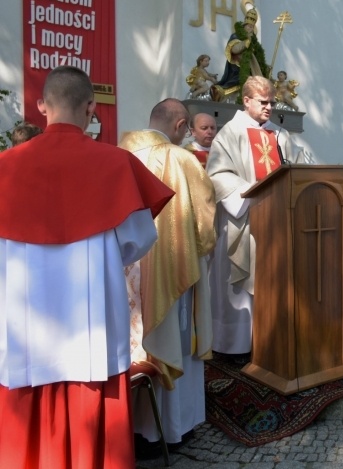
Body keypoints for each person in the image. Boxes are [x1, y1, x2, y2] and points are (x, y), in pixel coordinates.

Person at [0, 66, 173, 468]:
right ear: (92, 107)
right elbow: (139, 240)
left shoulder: (6, 168)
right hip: (91, 331)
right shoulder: (115, 164)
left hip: (24, 327)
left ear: (42, 106)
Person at [119, 99, 217, 449]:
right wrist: (202, 248)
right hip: (173, 269)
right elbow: (205, 221)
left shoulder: (121, 153)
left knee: (131, 340)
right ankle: (173, 427)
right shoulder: (182, 160)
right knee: (174, 338)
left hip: (124, 270)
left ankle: (134, 427)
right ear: (180, 125)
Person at [206, 76, 291, 353]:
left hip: (276, 222)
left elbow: (297, 167)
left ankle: (269, 341)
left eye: (272, 102)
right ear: (246, 101)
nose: (269, 107)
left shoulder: (280, 134)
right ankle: (235, 345)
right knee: (240, 288)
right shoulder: (229, 134)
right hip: (244, 220)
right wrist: (251, 192)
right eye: (263, 102)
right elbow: (217, 175)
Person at [213, 7, 267, 100]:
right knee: (238, 81)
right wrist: (246, 41)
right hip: (237, 68)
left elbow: (257, 57)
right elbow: (234, 49)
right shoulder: (236, 36)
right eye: (249, 26)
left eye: (252, 27)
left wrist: (264, 67)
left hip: (250, 68)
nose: (250, 28)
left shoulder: (254, 42)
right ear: (244, 25)